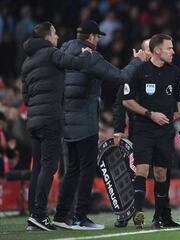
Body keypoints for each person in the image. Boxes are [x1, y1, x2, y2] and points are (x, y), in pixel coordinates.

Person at [52, 20, 145, 230]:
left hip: (66, 121)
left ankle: (61, 215)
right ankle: (79, 217)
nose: (99, 40)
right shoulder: (91, 56)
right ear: (91, 37)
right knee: (85, 171)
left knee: (71, 170)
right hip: (85, 123)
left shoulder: (63, 52)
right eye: (98, 37)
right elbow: (121, 77)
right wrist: (137, 60)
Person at [21, 21, 92, 231]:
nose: (57, 37)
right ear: (46, 37)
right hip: (51, 118)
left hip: (34, 119)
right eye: (54, 33)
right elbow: (76, 64)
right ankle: (40, 215)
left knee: (38, 169)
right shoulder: (51, 53)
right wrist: (87, 53)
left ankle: (33, 215)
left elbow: (25, 97)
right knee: (49, 166)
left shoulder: (27, 61)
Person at [122, 34, 180, 229]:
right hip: (143, 129)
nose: (173, 51)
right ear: (157, 50)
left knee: (161, 173)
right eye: (169, 48)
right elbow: (126, 100)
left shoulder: (175, 73)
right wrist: (150, 114)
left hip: (165, 132)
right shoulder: (140, 71)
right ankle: (138, 213)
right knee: (143, 169)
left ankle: (160, 217)